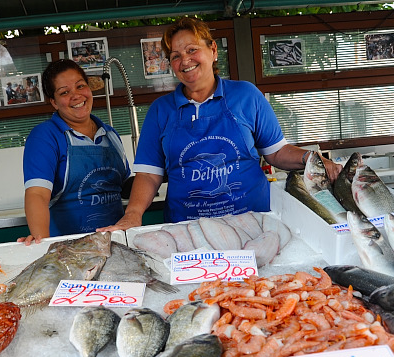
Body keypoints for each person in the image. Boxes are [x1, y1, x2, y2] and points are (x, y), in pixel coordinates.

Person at [99, 17, 340, 232]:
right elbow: (149, 175)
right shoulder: (160, 110)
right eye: (175, 56)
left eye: (192, 50)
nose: (185, 60)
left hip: (253, 222)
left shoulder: (246, 95)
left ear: (213, 50)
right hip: (189, 229)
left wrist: (313, 159)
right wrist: (132, 215)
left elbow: (276, 152)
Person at [18, 59, 130, 245]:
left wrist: (154, 175)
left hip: (115, 245)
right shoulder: (46, 136)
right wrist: (42, 244)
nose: (76, 96)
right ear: (54, 102)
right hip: (70, 250)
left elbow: (123, 186)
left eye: (80, 86)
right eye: (64, 92)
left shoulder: (110, 134)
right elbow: (37, 194)